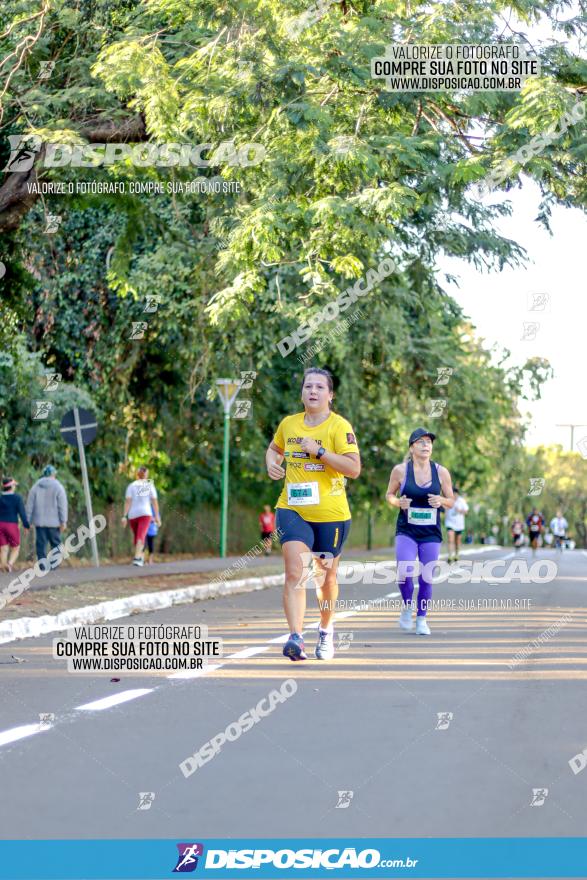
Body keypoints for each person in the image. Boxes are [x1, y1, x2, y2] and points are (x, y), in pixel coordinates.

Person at [265, 367, 360, 661]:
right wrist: (271, 462)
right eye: (308, 387)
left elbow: (354, 469)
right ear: (302, 393)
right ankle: (295, 637)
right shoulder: (289, 424)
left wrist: (319, 452)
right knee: (295, 572)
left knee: (325, 579)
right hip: (292, 509)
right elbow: (274, 448)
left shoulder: (339, 427)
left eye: (320, 387)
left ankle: (326, 629)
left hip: (331, 515)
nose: (313, 391)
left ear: (330, 395)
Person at [385, 428, 454, 636]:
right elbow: (389, 494)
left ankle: (422, 618)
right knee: (404, 570)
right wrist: (398, 502)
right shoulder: (400, 471)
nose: (426, 445)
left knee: (426, 577)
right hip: (407, 530)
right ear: (412, 447)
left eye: (429, 442)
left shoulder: (441, 472)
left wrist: (441, 500)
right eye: (421, 442)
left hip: (430, 533)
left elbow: (451, 501)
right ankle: (407, 606)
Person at [26, 465, 68, 571]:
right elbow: (62, 506)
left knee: (41, 545)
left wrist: (28, 521)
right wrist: (63, 521)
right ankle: (54, 566)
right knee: (56, 545)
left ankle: (42, 567)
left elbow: (29, 505)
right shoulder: (58, 487)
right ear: (53, 474)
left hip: (39, 522)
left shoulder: (35, 487)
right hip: (54, 523)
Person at [122, 466, 161, 566]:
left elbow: (128, 502)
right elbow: (154, 502)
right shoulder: (149, 485)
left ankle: (139, 557)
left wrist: (124, 516)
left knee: (139, 536)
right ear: (146, 475)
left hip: (133, 515)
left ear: (137, 474)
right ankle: (138, 557)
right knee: (140, 536)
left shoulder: (131, 486)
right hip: (145, 513)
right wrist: (157, 516)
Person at [0, 477, 30, 572]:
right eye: (14, 485)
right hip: (11, 525)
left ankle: (3, 566)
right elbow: (22, 513)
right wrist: (26, 526)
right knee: (16, 548)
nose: (15, 487)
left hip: (0, 525)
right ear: (11, 487)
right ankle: (9, 564)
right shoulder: (17, 498)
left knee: (3, 548)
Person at [444, 486, 469, 564]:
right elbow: (443, 507)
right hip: (449, 523)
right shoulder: (448, 500)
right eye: (453, 493)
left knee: (457, 541)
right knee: (450, 538)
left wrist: (460, 510)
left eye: (455, 493)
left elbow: (466, 511)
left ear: (457, 494)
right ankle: (450, 556)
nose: (454, 495)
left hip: (459, 524)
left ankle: (457, 555)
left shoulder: (461, 501)